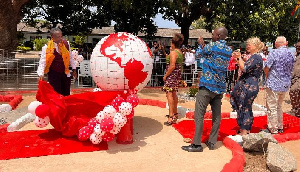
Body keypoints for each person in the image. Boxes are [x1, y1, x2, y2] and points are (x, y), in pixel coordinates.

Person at [181, 27, 232, 152]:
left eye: (213, 34)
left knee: (199, 115)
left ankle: (197, 144)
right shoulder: (229, 50)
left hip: (207, 85)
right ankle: (212, 142)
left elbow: (198, 55)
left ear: (219, 36)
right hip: (219, 87)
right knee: (216, 116)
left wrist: (200, 44)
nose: (212, 36)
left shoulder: (212, 46)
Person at [230, 37, 264, 136]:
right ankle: (243, 129)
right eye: (247, 44)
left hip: (249, 85)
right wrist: (239, 59)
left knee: (245, 107)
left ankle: (245, 130)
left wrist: (239, 58)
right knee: (243, 106)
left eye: (250, 44)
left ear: (256, 46)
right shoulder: (253, 57)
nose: (247, 46)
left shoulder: (256, 57)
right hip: (247, 84)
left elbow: (244, 68)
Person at [263, 36, 295, 134]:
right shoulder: (291, 54)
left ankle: (273, 128)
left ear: (276, 43)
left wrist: (267, 76)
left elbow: (267, 67)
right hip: (285, 84)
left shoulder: (274, 52)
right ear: (286, 43)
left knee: (272, 107)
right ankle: (280, 126)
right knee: (279, 106)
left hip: (274, 83)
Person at [37, 28, 77, 96]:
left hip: (65, 72)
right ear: (52, 37)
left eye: (61, 36)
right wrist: (41, 74)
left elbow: (70, 57)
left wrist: (74, 69)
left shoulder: (66, 44)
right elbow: (43, 61)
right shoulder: (46, 47)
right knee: (56, 93)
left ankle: (65, 106)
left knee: (66, 93)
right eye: (58, 37)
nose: (60, 38)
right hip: (54, 74)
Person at [162, 33, 184, 126]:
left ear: (172, 42)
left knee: (169, 95)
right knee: (174, 93)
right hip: (177, 75)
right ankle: (175, 114)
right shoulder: (179, 52)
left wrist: (165, 76)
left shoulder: (173, 52)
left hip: (172, 75)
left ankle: (171, 116)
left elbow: (172, 66)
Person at [290, 42, 300, 118]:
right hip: (292, 78)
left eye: (299, 47)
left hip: (299, 78)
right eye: (296, 46)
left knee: (293, 90)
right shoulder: (294, 55)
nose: (297, 48)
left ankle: (295, 108)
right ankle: (297, 111)